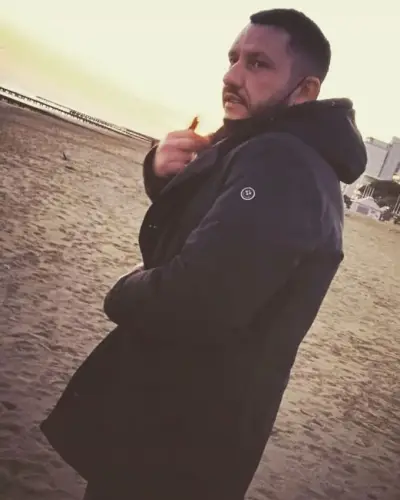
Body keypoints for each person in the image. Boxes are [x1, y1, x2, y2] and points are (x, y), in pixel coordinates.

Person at [41, 8, 367, 500]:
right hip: (187, 428)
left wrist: (122, 290)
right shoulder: (277, 153)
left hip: (173, 437)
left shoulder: (282, 161)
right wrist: (160, 174)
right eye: (233, 58)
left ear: (305, 90)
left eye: (257, 64)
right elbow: (214, 237)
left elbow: (196, 299)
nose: (232, 76)